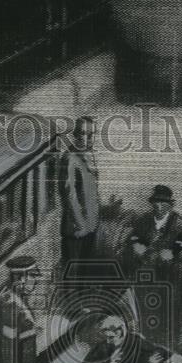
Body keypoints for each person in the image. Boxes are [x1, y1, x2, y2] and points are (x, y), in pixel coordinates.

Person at [125, 184, 182, 346]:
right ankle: (147, 346)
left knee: (170, 315)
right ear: (152, 204)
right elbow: (132, 240)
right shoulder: (144, 220)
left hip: (171, 277)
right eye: (156, 203)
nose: (159, 206)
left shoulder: (178, 223)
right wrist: (135, 246)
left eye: (163, 203)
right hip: (147, 276)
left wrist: (173, 253)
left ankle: (171, 348)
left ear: (170, 205)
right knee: (147, 312)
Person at [59, 116, 102, 279]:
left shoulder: (88, 155)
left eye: (91, 134)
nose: (88, 138)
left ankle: (83, 303)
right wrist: (81, 225)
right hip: (76, 230)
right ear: (76, 135)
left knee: (85, 274)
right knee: (73, 275)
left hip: (90, 225)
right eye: (84, 133)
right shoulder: (70, 158)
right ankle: (72, 304)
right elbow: (69, 196)